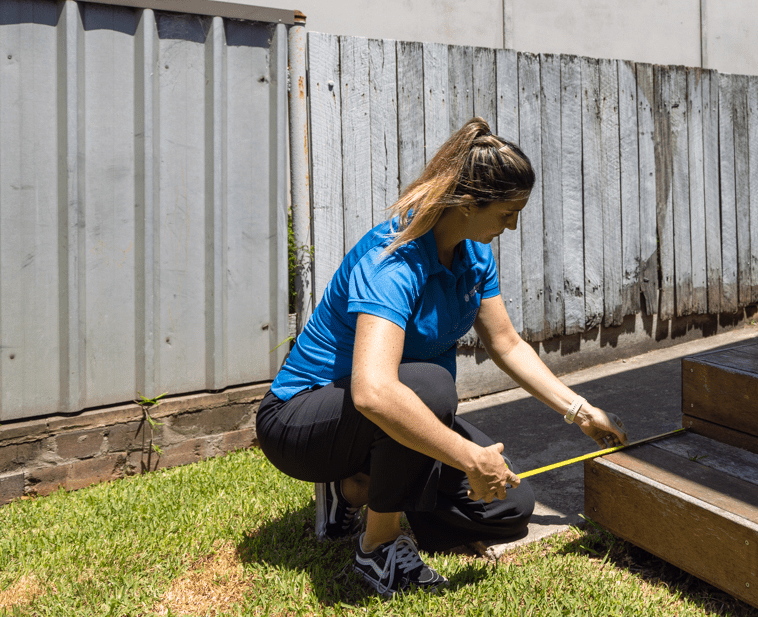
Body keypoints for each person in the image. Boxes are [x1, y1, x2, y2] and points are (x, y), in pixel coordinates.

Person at [255, 117, 628, 596]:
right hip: (302, 421)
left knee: (508, 508)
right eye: (508, 212)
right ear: (469, 205)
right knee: (430, 387)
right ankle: (378, 552)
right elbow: (372, 392)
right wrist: (469, 456)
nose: (512, 226)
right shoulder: (392, 260)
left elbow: (506, 343)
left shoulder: (474, 256)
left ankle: (355, 488)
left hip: (385, 411)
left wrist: (579, 411)